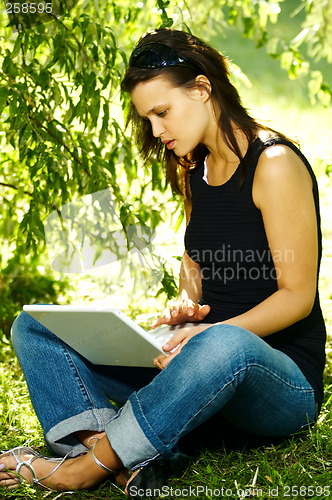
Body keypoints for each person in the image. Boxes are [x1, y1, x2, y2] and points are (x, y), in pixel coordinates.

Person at [0, 28, 326, 497]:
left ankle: (85, 468)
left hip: (277, 382)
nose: (156, 130)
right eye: (148, 118)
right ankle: (121, 455)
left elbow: (297, 298)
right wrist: (186, 305)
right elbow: (195, 261)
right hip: (197, 365)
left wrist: (209, 335)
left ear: (202, 88)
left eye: (162, 112)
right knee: (35, 326)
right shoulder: (194, 166)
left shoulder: (274, 164)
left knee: (224, 345)